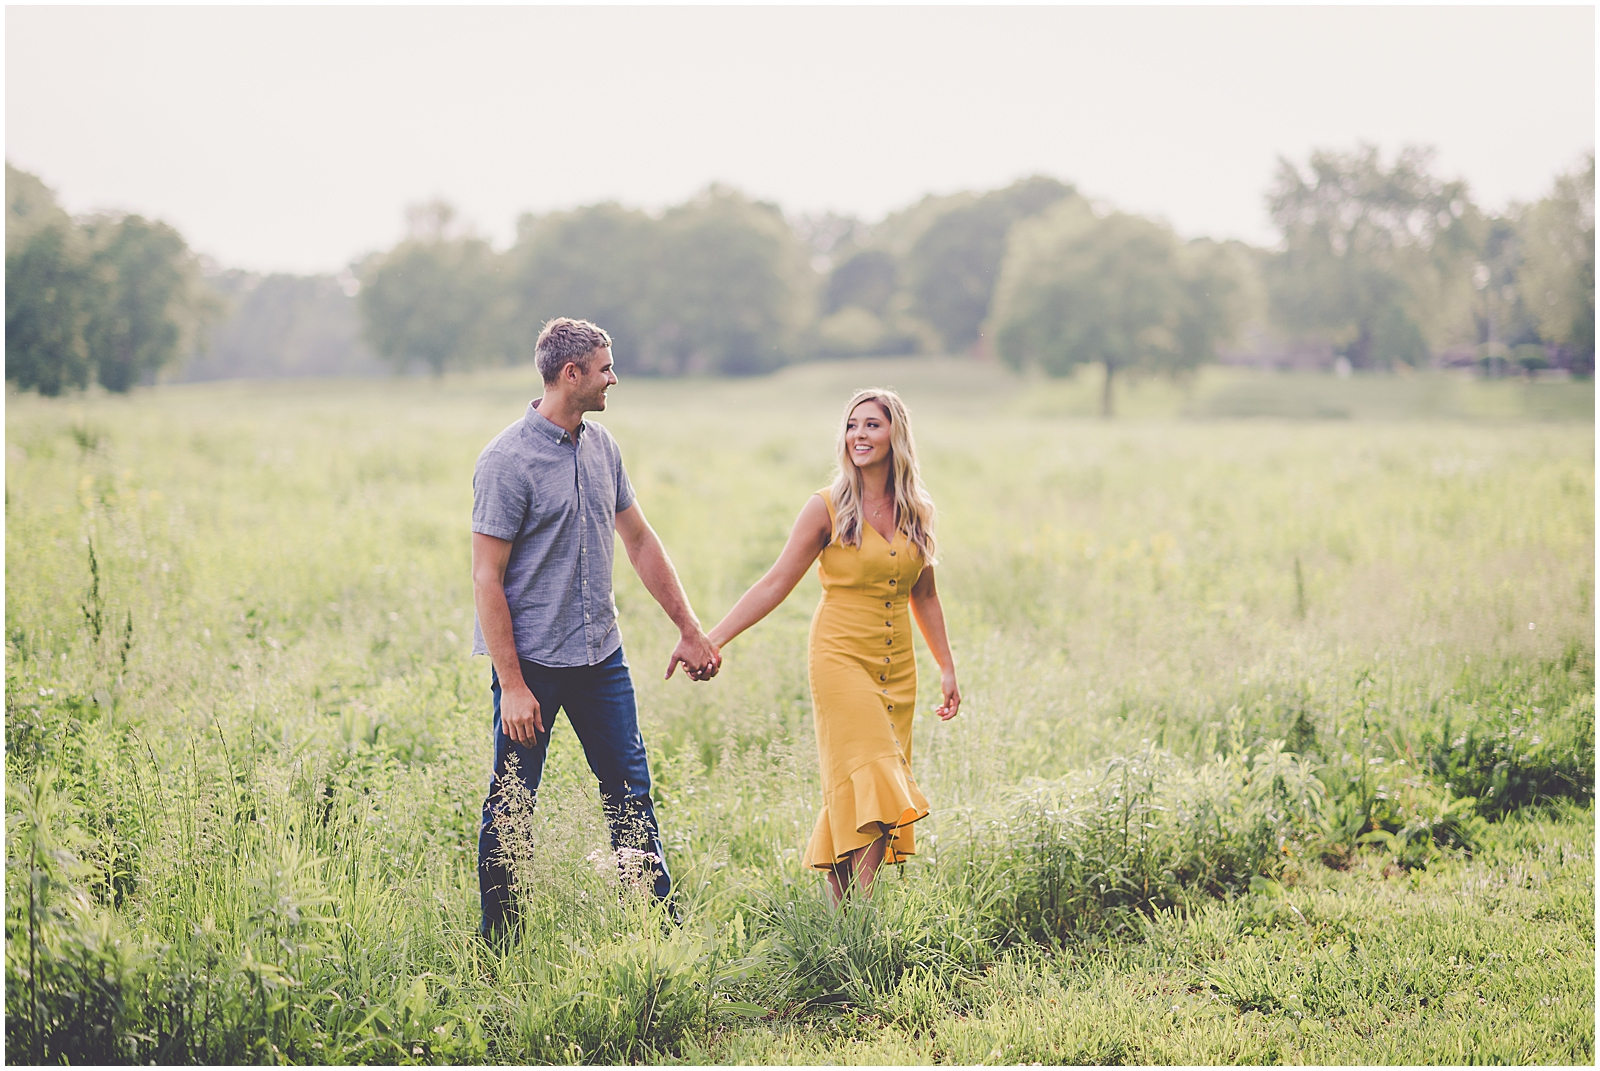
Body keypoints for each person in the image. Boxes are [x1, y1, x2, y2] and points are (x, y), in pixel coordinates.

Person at [471, 317, 720, 943]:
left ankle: (658, 936)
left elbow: (638, 540)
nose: (615, 378)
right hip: (532, 666)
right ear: (570, 374)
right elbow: (486, 579)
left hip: (600, 658)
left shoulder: (602, 445)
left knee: (631, 791)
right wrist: (513, 684)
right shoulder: (506, 461)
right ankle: (500, 950)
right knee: (512, 807)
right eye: (605, 367)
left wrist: (689, 629)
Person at [707, 388, 960, 904]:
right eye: (852, 426)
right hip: (839, 658)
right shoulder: (826, 507)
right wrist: (711, 639)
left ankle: (837, 916)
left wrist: (947, 668)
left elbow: (926, 595)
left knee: (858, 784)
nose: (859, 435)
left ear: (896, 435)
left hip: (898, 670)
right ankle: (861, 917)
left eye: (872, 425)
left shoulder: (916, 510)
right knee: (872, 772)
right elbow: (775, 582)